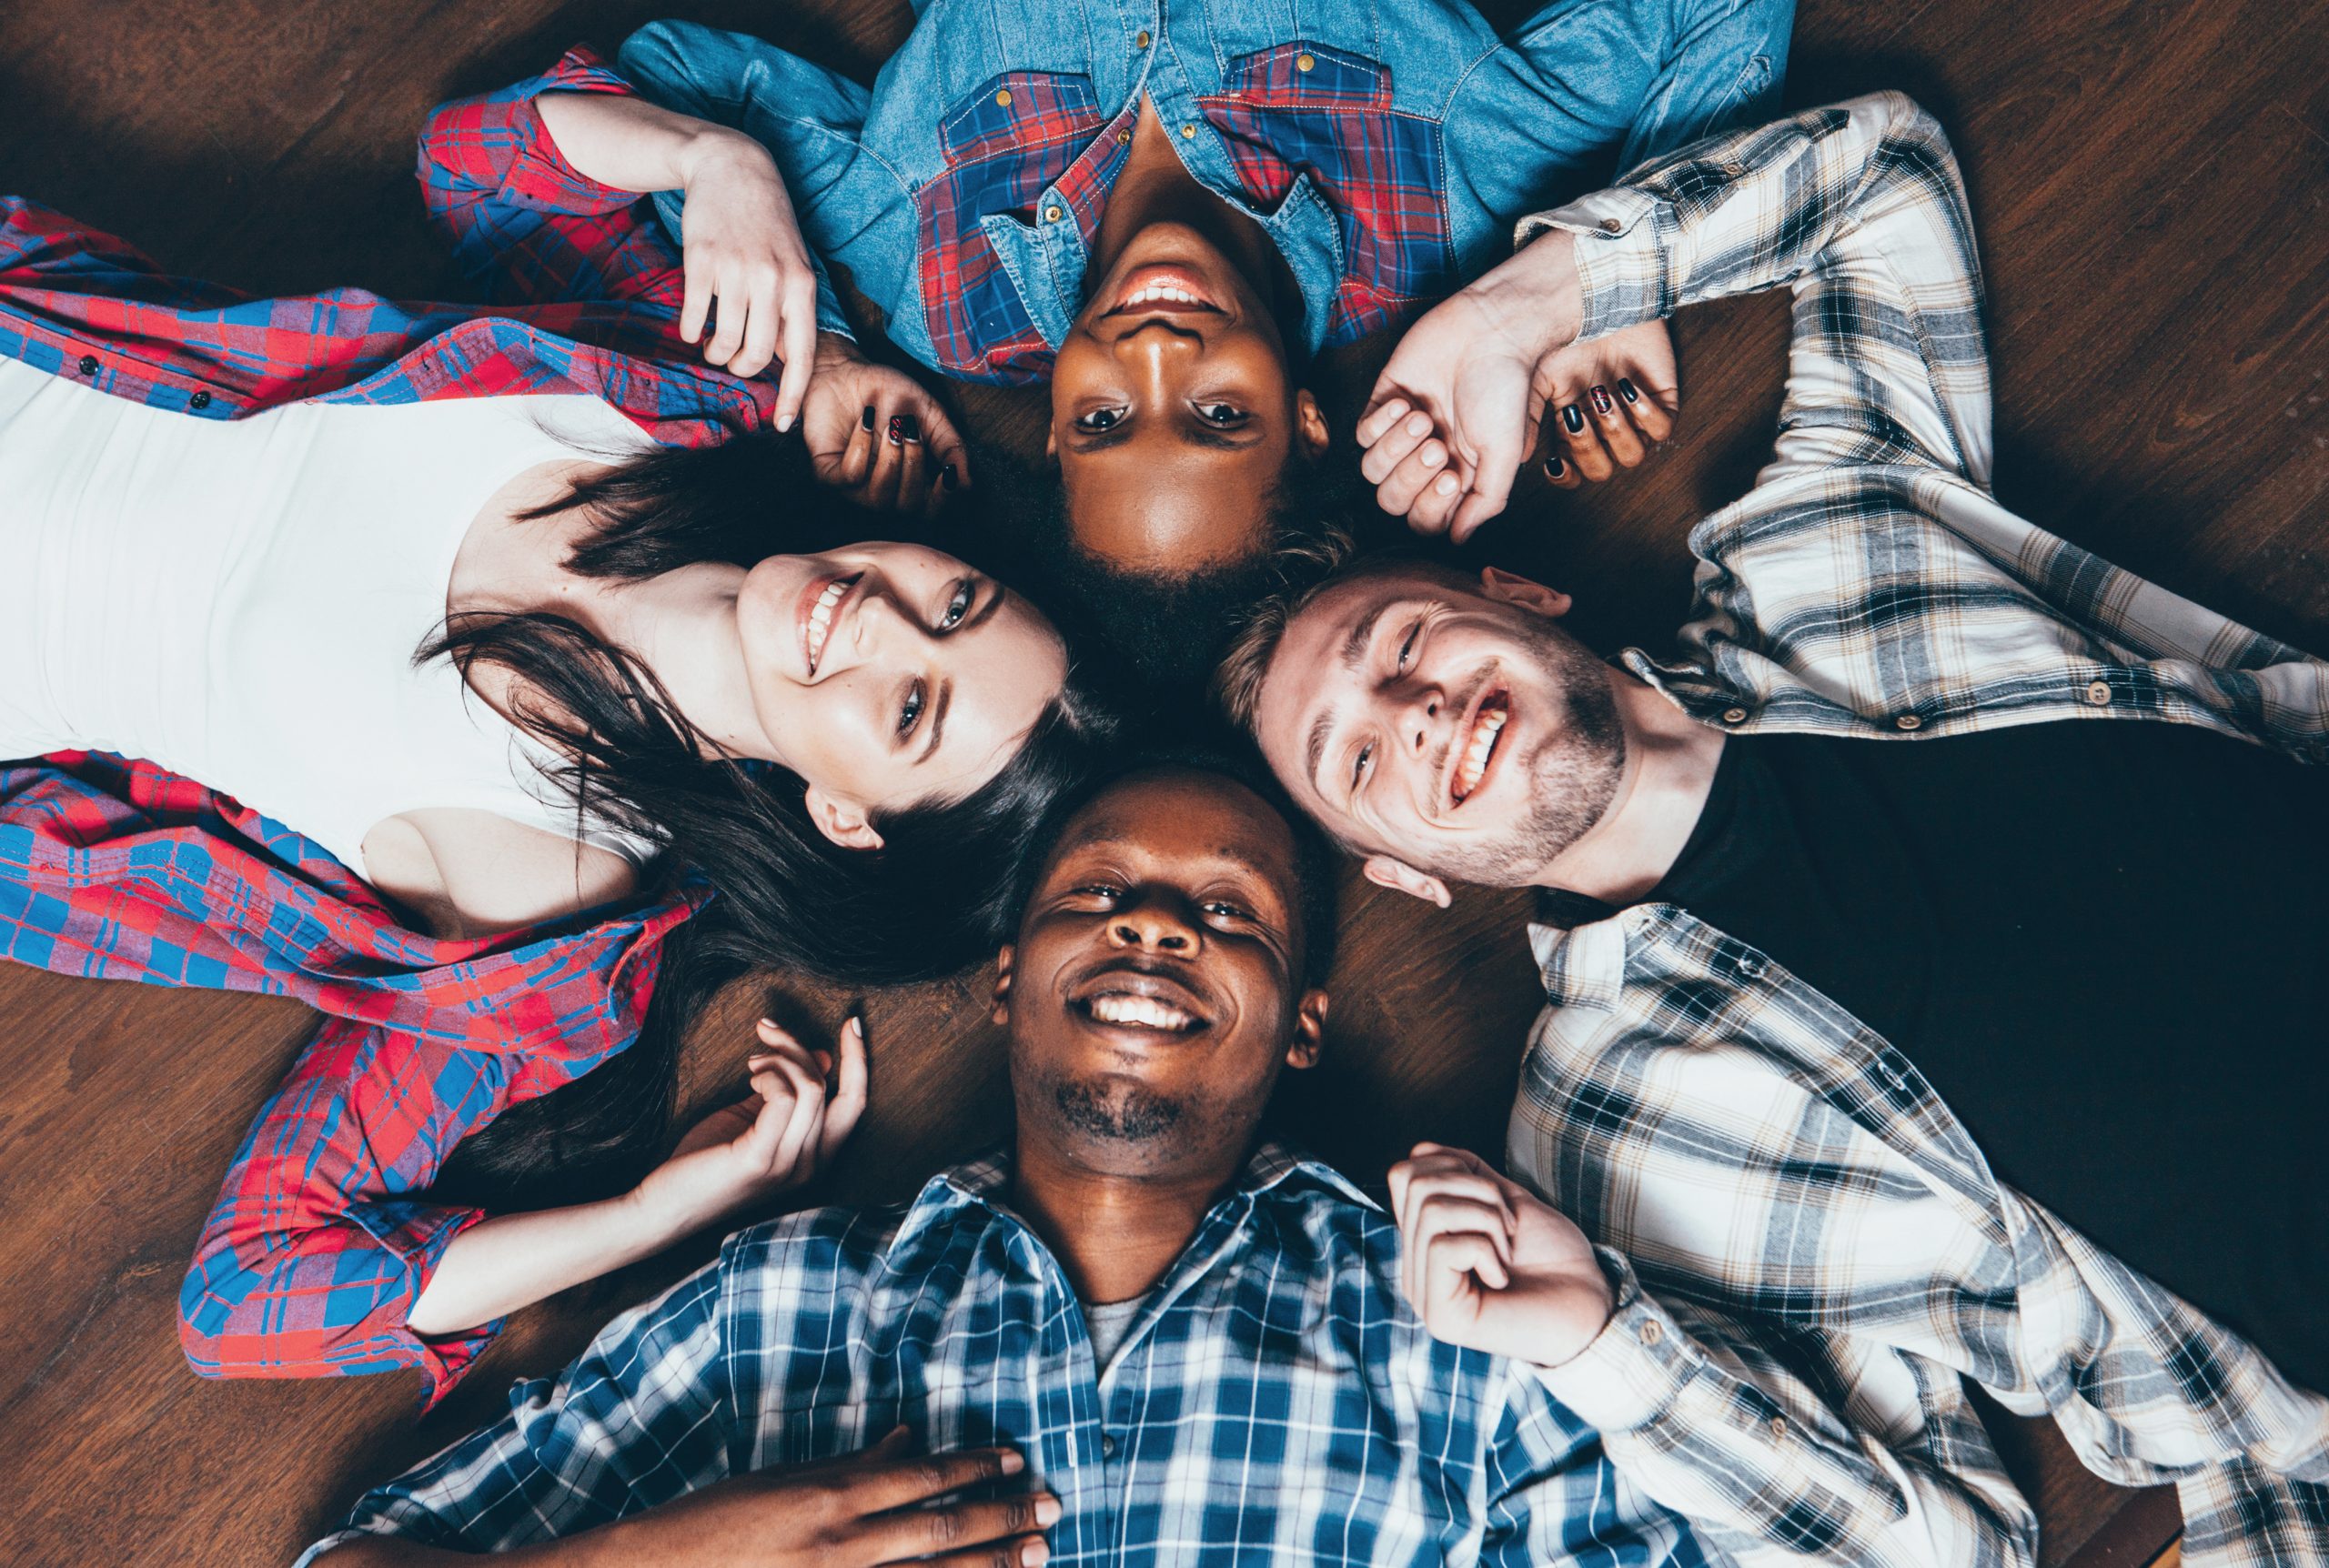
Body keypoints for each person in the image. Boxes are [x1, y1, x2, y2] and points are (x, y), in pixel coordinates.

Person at [1217, 95, 2329, 1565]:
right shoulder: (1605, 1141)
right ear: (1405, 870)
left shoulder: (1827, 530)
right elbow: (1954, 1550)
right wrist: (1607, 1346)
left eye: (1406, 641)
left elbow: (1883, 178)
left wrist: (1520, 317)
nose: (1414, 713)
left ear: (1523, 595)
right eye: (1357, 757)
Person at [0, 48, 1117, 1397]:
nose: (876, 616)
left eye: (911, 709)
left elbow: (247, 1298)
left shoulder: (547, 922)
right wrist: (719, 168)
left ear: (844, 815)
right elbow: (482, 157)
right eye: (956, 602)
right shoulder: (687, 400)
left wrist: (657, 1214)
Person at [294, 759, 1997, 1568]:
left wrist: (1601, 1337)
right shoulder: (784, 1306)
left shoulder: (1458, 1332)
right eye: (1096, 894)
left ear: (1302, 1024)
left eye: (1230, 914)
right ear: (1004, 982)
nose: (1158, 925)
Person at [606, 0, 1792, 676]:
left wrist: (833, 355)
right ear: (1309, 418)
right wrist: (1601, 282)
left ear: (1056, 436)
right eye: (1221, 417)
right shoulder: (1446, 201)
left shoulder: (933, 281)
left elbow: (669, 73)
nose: (1156, 351)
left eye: (1105, 420)